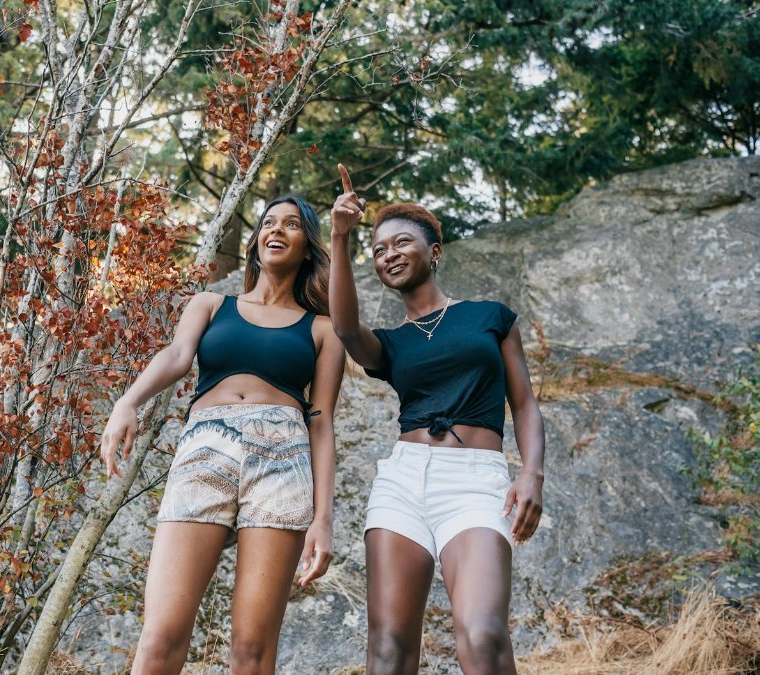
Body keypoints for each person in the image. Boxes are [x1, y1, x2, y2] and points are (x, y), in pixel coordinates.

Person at [101, 195, 345, 674]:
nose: (277, 229)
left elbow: (321, 423)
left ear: (307, 246)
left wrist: (323, 519)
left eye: (292, 224)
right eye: (268, 222)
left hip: (283, 460)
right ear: (255, 242)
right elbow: (175, 356)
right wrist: (127, 402)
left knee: (252, 650)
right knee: (160, 638)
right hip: (206, 449)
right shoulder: (212, 304)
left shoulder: (323, 330)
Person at [327, 164, 545, 674]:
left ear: (435, 252)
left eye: (401, 243)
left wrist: (531, 471)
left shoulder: (490, 317)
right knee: (387, 651)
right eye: (378, 250)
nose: (389, 254)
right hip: (402, 482)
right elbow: (342, 325)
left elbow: (526, 404)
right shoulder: (390, 343)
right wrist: (340, 237)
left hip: (474, 483)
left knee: (483, 635)